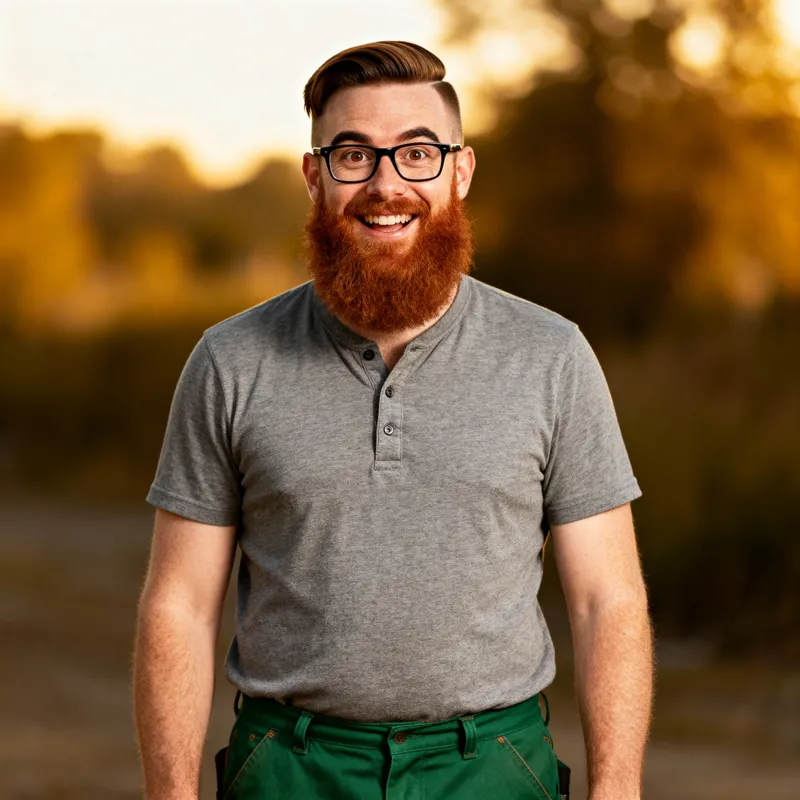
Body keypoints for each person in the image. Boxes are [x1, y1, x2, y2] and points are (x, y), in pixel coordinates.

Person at [133, 40, 653, 800]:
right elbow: (178, 604)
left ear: (460, 172)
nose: (385, 186)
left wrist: (618, 791)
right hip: (287, 768)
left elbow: (607, 600)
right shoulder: (230, 362)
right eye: (353, 156)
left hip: (493, 767)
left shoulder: (552, 357)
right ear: (313, 177)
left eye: (417, 154)